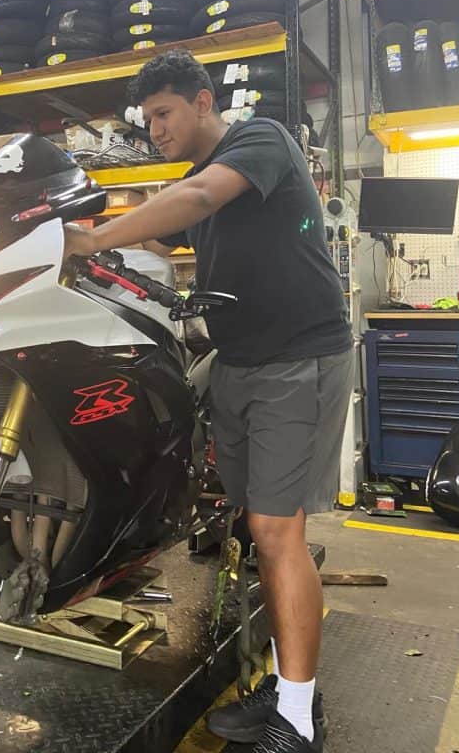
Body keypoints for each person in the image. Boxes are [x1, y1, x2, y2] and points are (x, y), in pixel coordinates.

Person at [64, 50, 353, 753]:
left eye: (163, 113)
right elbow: (163, 223)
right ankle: (282, 686)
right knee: (257, 530)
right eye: (146, 118)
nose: (154, 128)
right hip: (242, 360)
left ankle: (299, 715)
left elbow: (192, 202)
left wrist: (94, 238)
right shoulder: (193, 179)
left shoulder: (260, 141)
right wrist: (62, 220)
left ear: (200, 101)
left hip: (299, 359)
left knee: (280, 535)